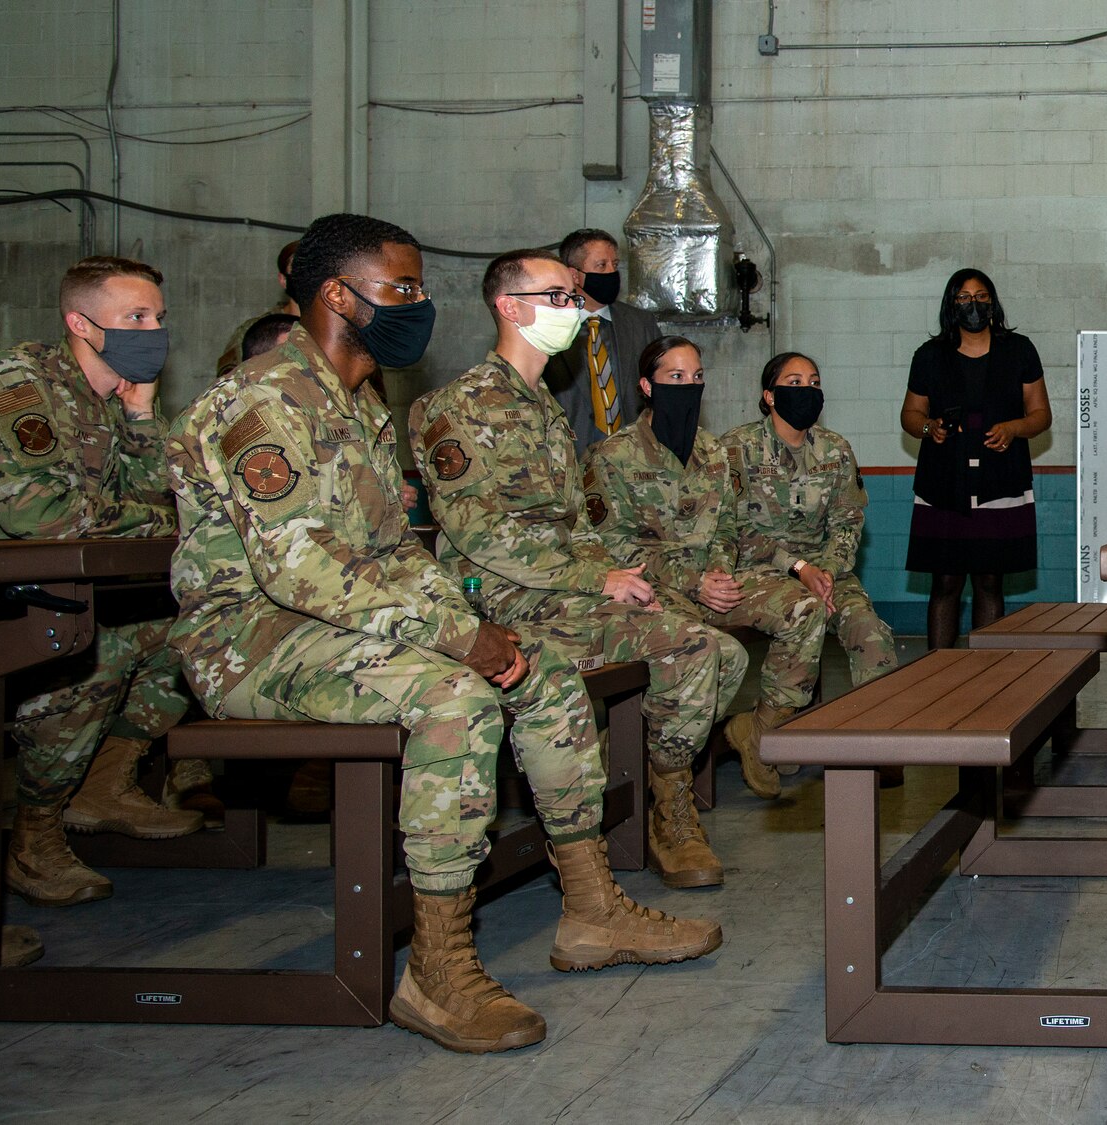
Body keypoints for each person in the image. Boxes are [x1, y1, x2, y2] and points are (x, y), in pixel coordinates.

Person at [167, 214, 718, 1055]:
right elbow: (298, 570)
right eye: (401, 290)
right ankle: (437, 967)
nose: (418, 306)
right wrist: (456, 641)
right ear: (335, 295)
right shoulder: (262, 400)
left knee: (540, 668)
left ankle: (592, 908)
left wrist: (473, 624)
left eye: (420, 288)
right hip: (253, 636)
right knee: (453, 698)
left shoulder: (361, 407)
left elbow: (398, 556)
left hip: (348, 623)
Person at [411, 250, 745, 890]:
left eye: (577, 296)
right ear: (510, 308)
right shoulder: (455, 409)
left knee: (724, 653)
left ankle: (650, 781)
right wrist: (598, 581)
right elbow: (479, 535)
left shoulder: (543, 408)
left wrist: (621, 575)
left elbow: (579, 529)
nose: (578, 307)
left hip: (565, 588)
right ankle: (666, 807)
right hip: (506, 599)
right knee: (695, 649)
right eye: (561, 297)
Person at [0, 255, 206, 969]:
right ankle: (37, 826)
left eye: (158, 317)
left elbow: (175, 502)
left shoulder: (125, 396)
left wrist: (143, 415)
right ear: (79, 324)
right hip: (18, 600)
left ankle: (101, 781)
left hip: (80, 589)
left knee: (193, 632)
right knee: (107, 647)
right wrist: (140, 517)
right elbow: (42, 515)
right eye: (135, 319)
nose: (154, 332)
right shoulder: (25, 387)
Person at [583, 337, 829, 805]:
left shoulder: (715, 453)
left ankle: (760, 734)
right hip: (654, 589)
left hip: (715, 580)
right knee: (715, 653)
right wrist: (693, 583)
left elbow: (730, 525)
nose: (689, 386)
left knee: (803, 609)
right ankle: (628, 761)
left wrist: (715, 576)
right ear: (646, 386)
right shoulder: (612, 456)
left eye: (696, 377)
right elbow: (609, 546)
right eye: (675, 377)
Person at [717, 352, 900, 797]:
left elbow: (847, 521)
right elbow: (729, 529)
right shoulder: (735, 448)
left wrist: (830, 572)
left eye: (814, 381)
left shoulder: (834, 449)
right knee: (804, 611)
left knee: (872, 636)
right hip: (759, 572)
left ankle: (875, 750)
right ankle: (765, 732)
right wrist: (798, 568)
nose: (807, 390)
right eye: (793, 382)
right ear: (769, 395)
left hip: (825, 572)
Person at [899, 268, 1052, 649]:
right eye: (964, 297)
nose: (973, 304)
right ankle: (938, 673)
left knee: (989, 580)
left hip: (1000, 481)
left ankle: (986, 675)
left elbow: (1041, 415)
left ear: (993, 302)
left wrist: (1014, 429)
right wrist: (927, 428)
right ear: (951, 305)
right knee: (945, 582)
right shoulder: (929, 355)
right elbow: (910, 415)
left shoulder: (1019, 350)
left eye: (981, 296)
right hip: (943, 482)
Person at [542, 228, 664, 456]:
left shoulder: (641, 324)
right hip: (569, 460)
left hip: (633, 459)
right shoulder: (549, 325)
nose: (611, 272)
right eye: (601, 266)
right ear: (574, 275)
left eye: (615, 265)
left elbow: (661, 392)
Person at [214, 240, 300, 376]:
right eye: (298, 271)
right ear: (283, 279)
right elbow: (229, 379)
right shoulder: (255, 330)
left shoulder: (331, 328)